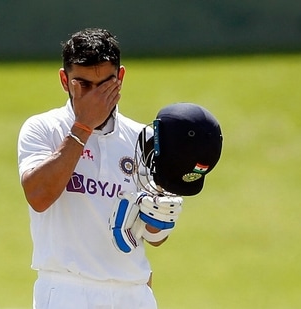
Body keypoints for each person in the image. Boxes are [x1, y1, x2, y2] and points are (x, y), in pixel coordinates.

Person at [17, 28, 183, 309]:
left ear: (120, 78)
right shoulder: (43, 129)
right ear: (64, 80)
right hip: (67, 292)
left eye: (104, 86)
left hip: (133, 292)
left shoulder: (142, 139)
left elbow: (154, 237)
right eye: (83, 85)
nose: (95, 97)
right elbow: (39, 196)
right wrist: (83, 126)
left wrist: (162, 218)